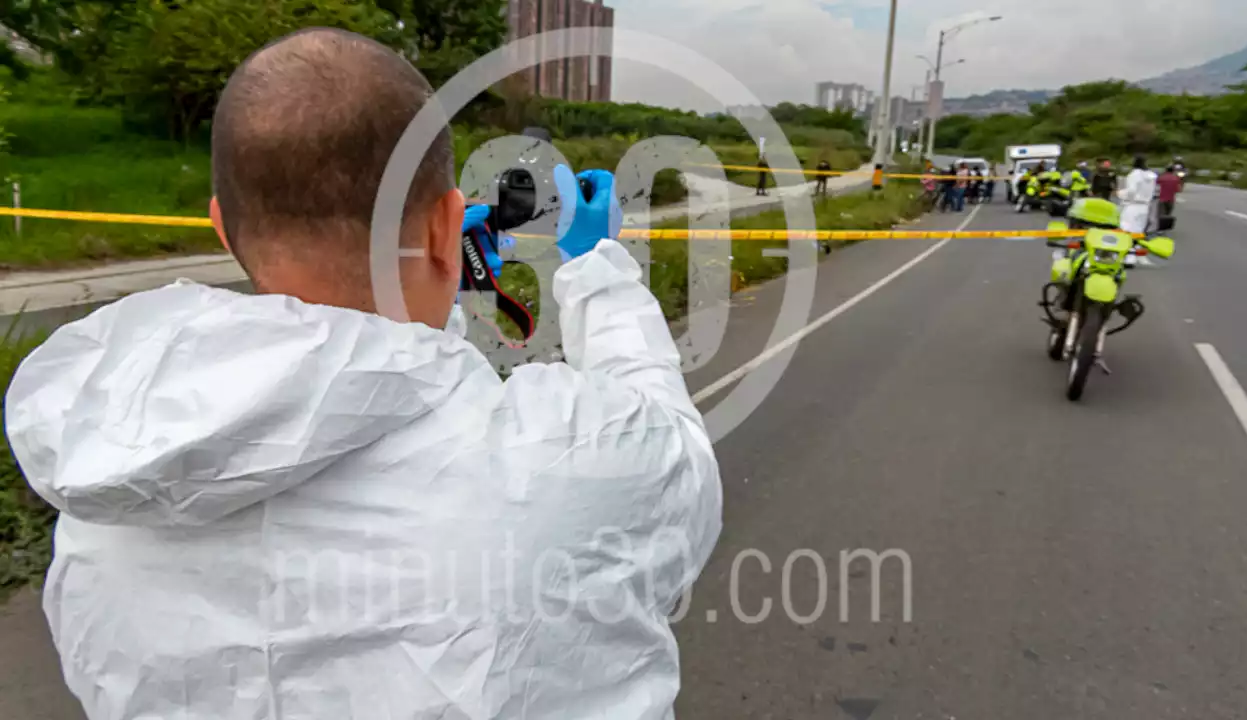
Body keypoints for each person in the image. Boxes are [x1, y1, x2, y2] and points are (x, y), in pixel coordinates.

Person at [6, 28, 722, 720]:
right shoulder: (561, 463)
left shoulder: (110, 488)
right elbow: (676, 463)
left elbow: (348, 385)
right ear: (448, 223)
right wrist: (597, 268)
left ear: (224, 228)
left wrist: (438, 287)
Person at [1117, 155, 1158, 266]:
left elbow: (1131, 191)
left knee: (1127, 230)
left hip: (1132, 205)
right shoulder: (1151, 176)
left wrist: (1120, 193)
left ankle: (1129, 257)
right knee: (1138, 232)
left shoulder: (1134, 175)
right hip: (1145, 206)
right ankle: (1137, 255)